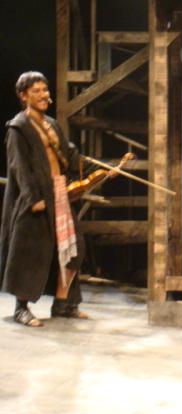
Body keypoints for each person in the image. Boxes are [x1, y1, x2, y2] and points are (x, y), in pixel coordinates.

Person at [0, 71, 125, 327]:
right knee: (31, 252)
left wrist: (104, 170)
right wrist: (33, 198)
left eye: (45, 90)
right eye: (36, 91)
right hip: (34, 197)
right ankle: (21, 308)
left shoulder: (52, 125)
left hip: (59, 192)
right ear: (23, 96)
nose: (44, 95)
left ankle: (63, 303)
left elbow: (72, 157)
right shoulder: (18, 128)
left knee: (73, 248)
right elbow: (18, 166)